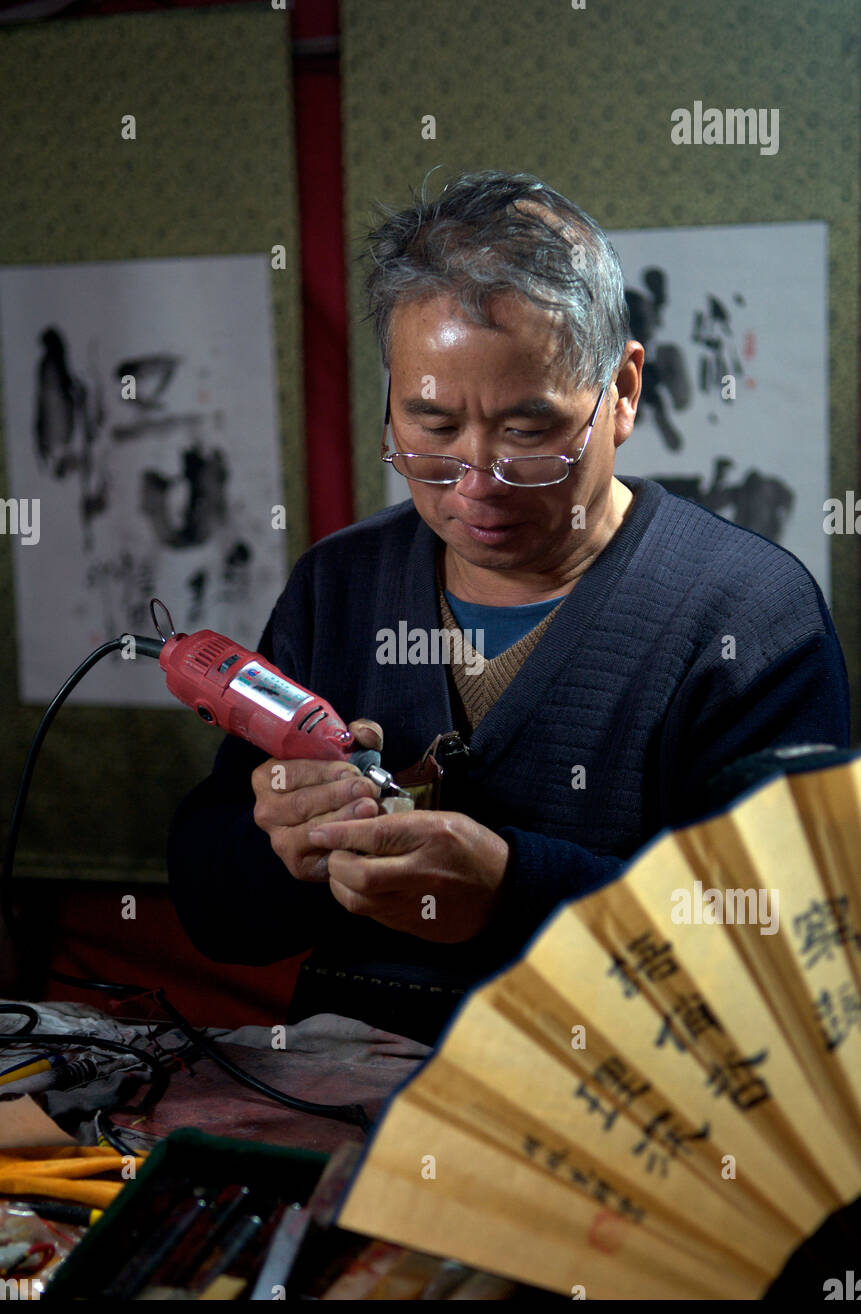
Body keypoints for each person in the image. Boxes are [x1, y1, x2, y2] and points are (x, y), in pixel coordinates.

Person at [166, 170, 850, 1046]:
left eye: (529, 434)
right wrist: (283, 849)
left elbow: (792, 963)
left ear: (624, 393)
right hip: (351, 1101)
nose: (476, 487)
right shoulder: (341, 585)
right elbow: (218, 918)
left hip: (630, 1114)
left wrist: (512, 893)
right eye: (433, 430)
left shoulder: (745, 614)